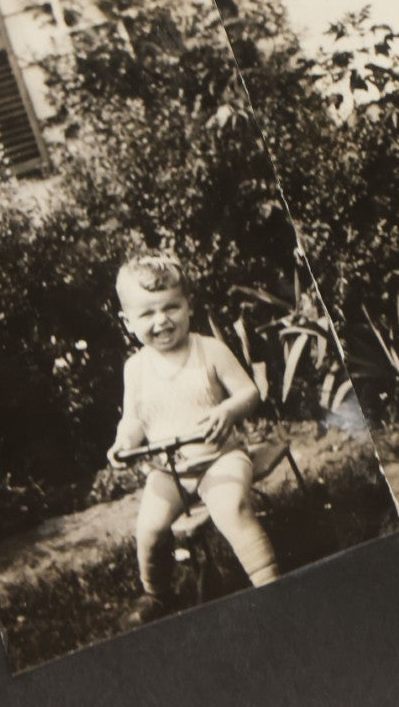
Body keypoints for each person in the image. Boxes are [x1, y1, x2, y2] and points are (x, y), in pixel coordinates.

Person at [106, 252, 278, 623]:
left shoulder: (209, 350)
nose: (161, 320)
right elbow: (133, 420)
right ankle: (156, 593)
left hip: (220, 456)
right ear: (127, 322)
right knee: (150, 527)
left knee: (231, 507)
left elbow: (248, 392)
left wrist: (227, 411)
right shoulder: (135, 369)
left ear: (188, 306)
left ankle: (270, 583)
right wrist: (124, 443)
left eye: (171, 307)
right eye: (147, 314)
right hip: (168, 469)